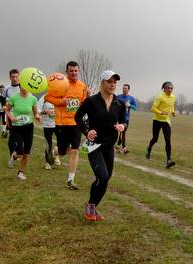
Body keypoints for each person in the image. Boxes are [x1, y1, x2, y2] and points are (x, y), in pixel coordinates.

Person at [75, 70, 126, 221]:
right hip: (94, 145)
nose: (112, 85)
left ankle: (91, 206)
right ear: (102, 83)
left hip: (109, 145)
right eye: (109, 82)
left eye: (114, 82)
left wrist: (122, 126)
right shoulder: (91, 101)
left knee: (106, 178)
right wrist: (87, 131)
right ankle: (91, 208)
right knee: (102, 177)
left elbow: (124, 121)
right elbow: (78, 117)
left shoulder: (119, 103)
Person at [45, 61, 88, 190]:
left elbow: (83, 102)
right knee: (62, 151)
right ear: (66, 72)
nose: (74, 73)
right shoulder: (61, 84)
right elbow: (48, 97)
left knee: (75, 150)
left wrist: (87, 99)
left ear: (78, 71)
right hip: (62, 123)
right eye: (71, 71)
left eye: (76, 70)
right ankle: (54, 152)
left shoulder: (82, 86)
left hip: (76, 123)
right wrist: (61, 102)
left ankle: (70, 180)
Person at [5, 86, 41, 180]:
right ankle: (14, 156)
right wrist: (11, 116)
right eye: (22, 87)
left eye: (26, 87)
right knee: (20, 152)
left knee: (27, 152)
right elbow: (7, 110)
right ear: (20, 87)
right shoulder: (14, 98)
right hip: (17, 127)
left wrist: (37, 116)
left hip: (28, 127)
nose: (24, 89)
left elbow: (35, 113)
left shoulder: (33, 98)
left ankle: (20, 173)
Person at [146, 81, 176, 168]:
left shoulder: (173, 97)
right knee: (155, 138)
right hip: (157, 120)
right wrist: (161, 113)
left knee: (168, 140)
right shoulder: (160, 97)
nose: (170, 90)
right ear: (164, 88)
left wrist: (173, 112)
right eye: (168, 88)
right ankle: (149, 148)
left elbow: (171, 105)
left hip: (166, 121)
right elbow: (152, 108)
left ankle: (168, 160)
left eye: (171, 88)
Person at [5, 69, 21, 168]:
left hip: (23, 117)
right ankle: (11, 155)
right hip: (11, 116)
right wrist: (4, 105)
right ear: (10, 77)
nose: (15, 79)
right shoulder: (7, 89)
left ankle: (17, 154)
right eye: (13, 77)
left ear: (19, 77)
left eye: (16, 77)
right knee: (12, 136)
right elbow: (2, 99)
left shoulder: (23, 87)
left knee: (21, 139)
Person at [37, 94, 58, 170]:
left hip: (58, 124)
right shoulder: (44, 97)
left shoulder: (60, 96)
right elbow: (37, 110)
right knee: (48, 144)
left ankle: (55, 154)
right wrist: (45, 111)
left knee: (62, 142)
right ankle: (47, 163)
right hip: (47, 125)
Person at [115, 83, 137, 154]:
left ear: (128, 90)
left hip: (126, 118)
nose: (124, 90)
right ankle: (121, 147)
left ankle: (121, 147)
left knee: (123, 132)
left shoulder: (131, 98)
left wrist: (130, 105)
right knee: (119, 132)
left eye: (125, 88)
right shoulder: (118, 97)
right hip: (117, 117)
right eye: (123, 88)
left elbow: (135, 108)